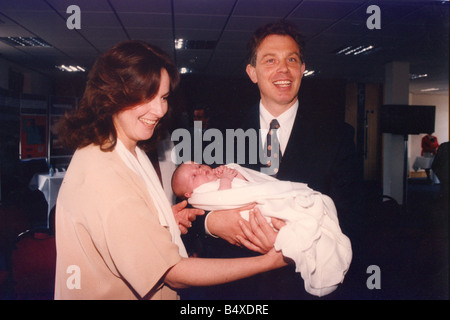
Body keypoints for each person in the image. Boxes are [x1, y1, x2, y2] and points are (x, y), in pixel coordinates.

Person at [53, 40, 289, 300]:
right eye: (144, 97)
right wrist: (271, 260)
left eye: (163, 97)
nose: (159, 110)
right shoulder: (104, 175)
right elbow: (174, 273)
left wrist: (157, 224)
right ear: (111, 95)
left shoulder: (124, 150)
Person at [194, 20, 365, 299]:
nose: (282, 69)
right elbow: (191, 209)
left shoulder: (336, 135)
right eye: (270, 60)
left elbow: (353, 218)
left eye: (292, 59)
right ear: (252, 72)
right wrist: (213, 224)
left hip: (301, 287)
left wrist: (293, 243)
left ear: (302, 69)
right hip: (236, 290)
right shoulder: (220, 134)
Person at [172, 162, 352, 297]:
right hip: (244, 283)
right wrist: (212, 222)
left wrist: (233, 174)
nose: (200, 169)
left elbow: (248, 184)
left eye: (198, 165)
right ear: (189, 193)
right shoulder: (202, 191)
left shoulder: (338, 134)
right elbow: (211, 203)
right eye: (194, 176)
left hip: (292, 284)